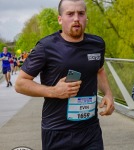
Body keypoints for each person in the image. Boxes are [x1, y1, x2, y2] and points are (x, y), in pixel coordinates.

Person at [15, 0, 114, 149]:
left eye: (81, 13)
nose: (76, 18)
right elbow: (20, 84)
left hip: (90, 131)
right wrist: (53, 91)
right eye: (70, 14)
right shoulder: (46, 47)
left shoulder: (97, 44)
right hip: (57, 131)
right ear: (60, 19)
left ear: (86, 17)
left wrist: (108, 94)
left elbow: (99, 70)